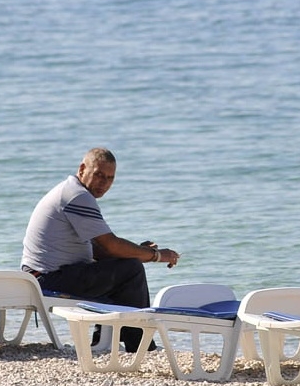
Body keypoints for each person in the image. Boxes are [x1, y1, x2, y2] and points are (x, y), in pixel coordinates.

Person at [21, 147, 180, 352]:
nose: (103, 183)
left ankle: (103, 339)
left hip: (45, 274)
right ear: (82, 169)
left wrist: (136, 252)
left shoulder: (70, 190)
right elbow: (110, 244)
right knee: (131, 269)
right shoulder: (77, 196)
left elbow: (100, 250)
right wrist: (156, 256)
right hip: (48, 278)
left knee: (121, 267)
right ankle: (139, 345)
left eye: (110, 178)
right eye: (98, 175)